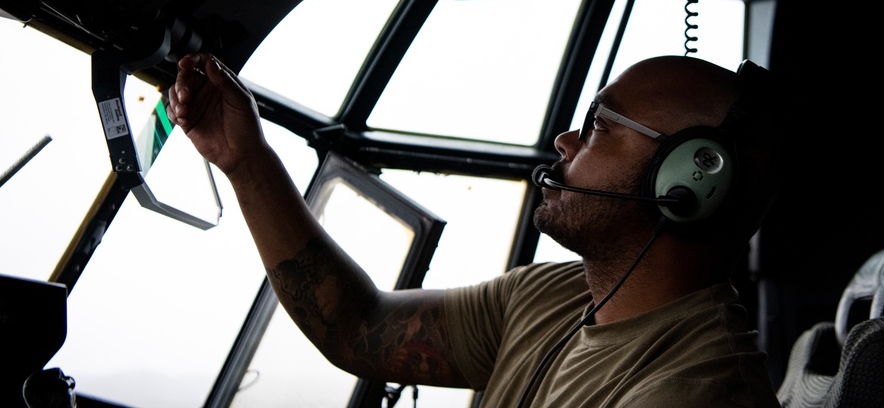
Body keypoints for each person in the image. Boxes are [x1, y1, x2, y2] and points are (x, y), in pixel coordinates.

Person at [167, 51, 784, 407]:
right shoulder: (549, 296)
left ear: (690, 182)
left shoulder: (700, 393)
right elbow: (358, 328)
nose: (564, 140)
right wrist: (246, 163)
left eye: (600, 126)